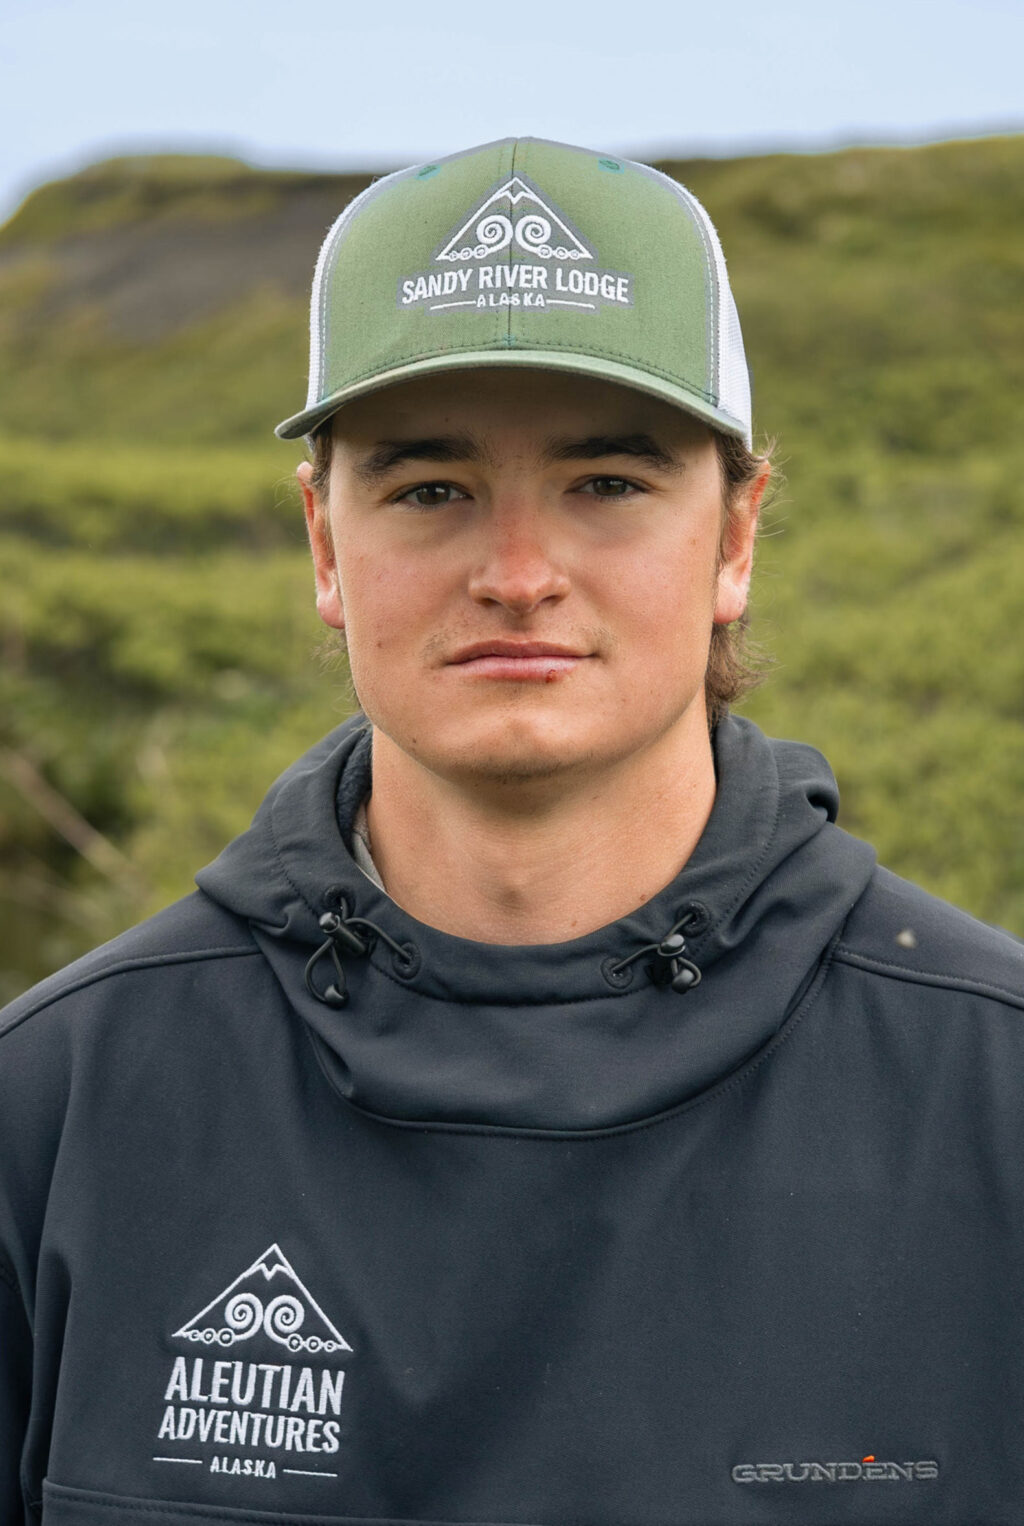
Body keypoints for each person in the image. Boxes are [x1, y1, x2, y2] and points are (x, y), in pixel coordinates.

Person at [1, 135, 1021, 1523]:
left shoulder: (992, 1094)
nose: (519, 575)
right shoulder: (57, 1107)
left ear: (735, 537)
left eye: (608, 483)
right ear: (322, 543)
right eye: (431, 489)